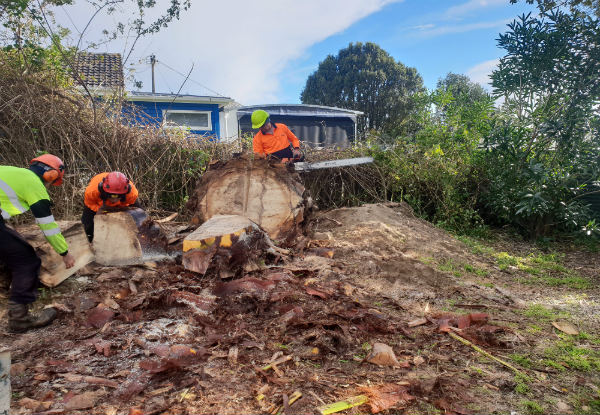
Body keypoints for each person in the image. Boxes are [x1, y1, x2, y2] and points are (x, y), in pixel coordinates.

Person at [0, 154, 76, 333]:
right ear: (50, 174)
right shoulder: (33, 183)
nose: (49, 186)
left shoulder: (12, 172)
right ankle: (20, 319)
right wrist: (65, 253)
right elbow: (48, 226)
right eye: (52, 181)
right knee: (26, 260)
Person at [81, 171, 139, 242]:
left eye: (118, 196)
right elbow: (90, 204)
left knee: (139, 218)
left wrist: (119, 210)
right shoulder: (92, 192)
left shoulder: (132, 194)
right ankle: (90, 242)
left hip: (121, 204)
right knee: (87, 227)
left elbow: (129, 203)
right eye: (112, 196)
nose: (114, 199)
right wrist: (102, 211)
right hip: (98, 205)